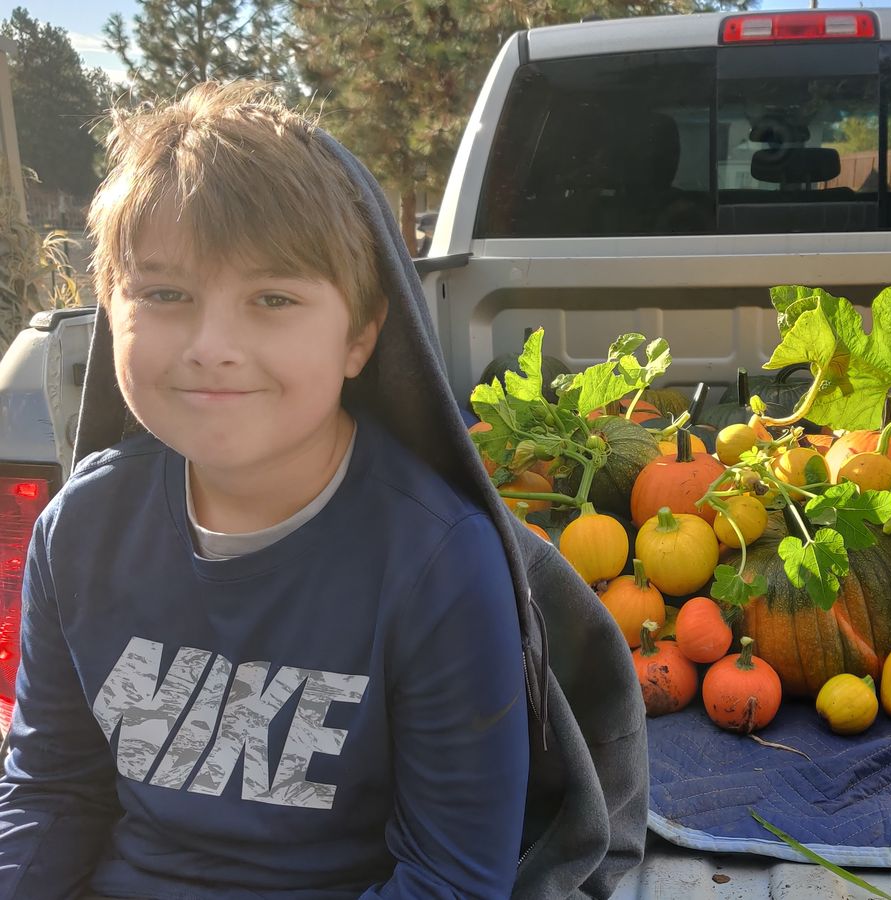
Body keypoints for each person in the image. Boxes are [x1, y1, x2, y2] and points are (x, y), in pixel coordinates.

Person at [0, 82, 648, 899]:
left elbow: (448, 878)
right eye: (164, 295)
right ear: (109, 305)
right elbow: (51, 790)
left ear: (361, 335)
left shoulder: (436, 564)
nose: (211, 345)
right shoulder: (79, 529)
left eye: (273, 299)